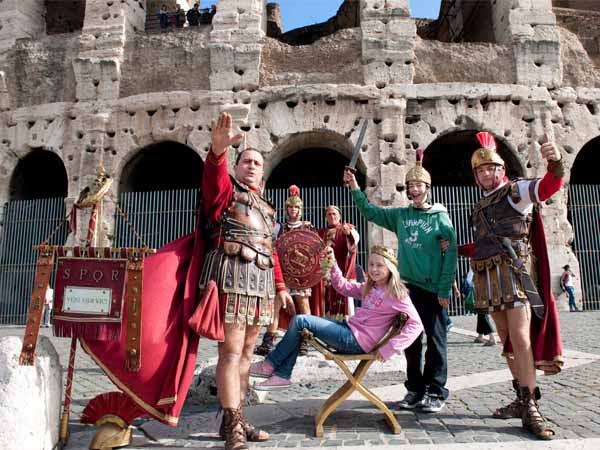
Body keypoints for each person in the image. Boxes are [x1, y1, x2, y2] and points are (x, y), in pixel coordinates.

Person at [198, 112, 294, 450]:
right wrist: (218, 152)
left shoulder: (267, 209)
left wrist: (281, 288)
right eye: (246, 161)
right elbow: (213, 182)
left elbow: (273, 251)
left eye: (257, 163)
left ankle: (236, 417)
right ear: (237, 169)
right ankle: (232, 423)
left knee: (247, 356)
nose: (251, 165)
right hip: (233, 279)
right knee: (231, 353)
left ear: (263, 174)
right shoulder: (226, 194)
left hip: (262, 283)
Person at [460, 131, 564, 440]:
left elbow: (548, 187)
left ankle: (531, 404)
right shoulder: (480, 205)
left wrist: (554, 161)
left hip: (516, 273)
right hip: (488, 277)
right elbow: (482, 243)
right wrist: (454, 248)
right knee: (506, 342)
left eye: (490, 168)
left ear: (501, 170)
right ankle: (520, 397)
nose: (486, 174)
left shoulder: (516, 192)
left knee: (520, 338)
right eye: (480, 170)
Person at [344, 149, 457, 413]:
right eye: (409, 186)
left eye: (418, 185)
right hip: (406, 289)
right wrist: (355, 188)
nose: (413, 190)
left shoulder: (440, 217)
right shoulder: (401, 216)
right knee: (411, 343)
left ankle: (436, 391)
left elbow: (450, 255)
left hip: (432, 289)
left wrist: (443, 288)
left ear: (427, 188)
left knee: (436, 341)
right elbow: (370, 212)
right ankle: (415, 390)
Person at [249, 245, 423, 390]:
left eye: (380, 266)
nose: (374, 269)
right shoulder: (371, 287)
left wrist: (389, 349)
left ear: (390, 268)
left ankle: (270, 365)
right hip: (348, 331)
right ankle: (282, 374)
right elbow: (343, 287)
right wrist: (332, 264)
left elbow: (416, 325)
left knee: (301, 321)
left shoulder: (397, 294)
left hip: (355, 341)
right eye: (371, 265)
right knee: (300, 324)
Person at [255, 185, 320, 357]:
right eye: (290, 207)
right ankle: (268, 342)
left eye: (296, 207)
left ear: (300, 209)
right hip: (283, 274)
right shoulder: (280, 228)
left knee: (303, 305)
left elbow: (313, 251)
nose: (293, 210)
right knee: (275, 306)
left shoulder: (308, 228)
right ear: (286, 209)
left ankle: (305, 341)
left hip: (301, 275)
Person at [317, 205, 359, 320]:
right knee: (325, 304)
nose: (332, 216)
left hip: (343, 273)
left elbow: (354, 243)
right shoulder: (320, 233)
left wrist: (348, 234)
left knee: (346, 305)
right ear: (325, 217)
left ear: (340, 216)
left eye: (334, 214)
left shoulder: (348, 228)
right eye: (329, 214)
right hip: (325, 276)